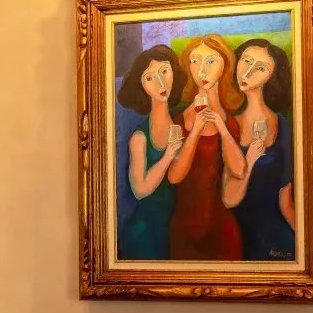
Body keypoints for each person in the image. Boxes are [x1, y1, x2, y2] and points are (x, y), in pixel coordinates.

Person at [166, 35, 246, 259]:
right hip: (184, 230)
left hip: (221, 230)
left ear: (224, 67)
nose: (202, 69)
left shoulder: (231, 122)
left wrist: (221, 127)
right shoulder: (178, 120)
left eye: (211, 61)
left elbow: (239, 171)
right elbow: (174, 176)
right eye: (195, 61)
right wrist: (195, 132)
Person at [222, 38, 296, 260]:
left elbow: (285, 199)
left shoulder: (281, 125)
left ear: (271, 77)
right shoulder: (228, 125)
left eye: (261, 68)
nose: (248, 71)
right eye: (246, 61)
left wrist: (307, 243)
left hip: (275, 235)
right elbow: (228, 198)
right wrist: (250, 161)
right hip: (236, 236)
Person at [115, 46, 185, 259]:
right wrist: (168, 155)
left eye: (164, 72)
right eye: (149, 78)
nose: (160, 83)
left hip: (179, 230)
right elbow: (140, 190)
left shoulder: (184, 118)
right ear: (141, 86)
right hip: (147, 234)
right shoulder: (139, 138)